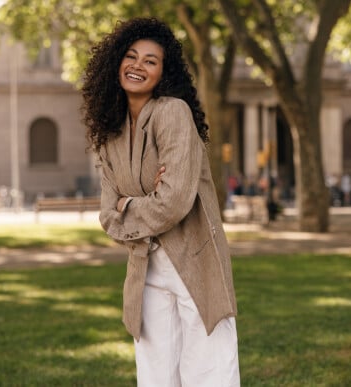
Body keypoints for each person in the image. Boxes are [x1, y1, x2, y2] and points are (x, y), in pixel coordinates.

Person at [81, 17, 240, 386]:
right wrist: (128, 206)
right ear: (116, 62)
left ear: (163, 73)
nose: (138, 65)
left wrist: (128, 206)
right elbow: (107, 214)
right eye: (132, 56)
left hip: (195, 263)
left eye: (151, 61)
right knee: (154, 377)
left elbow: (173, 202)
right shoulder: (109, 132)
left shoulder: (173, 113)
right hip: (144, 269)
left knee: (209, 375)